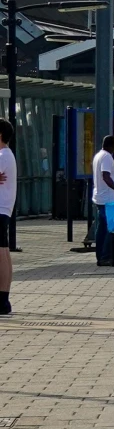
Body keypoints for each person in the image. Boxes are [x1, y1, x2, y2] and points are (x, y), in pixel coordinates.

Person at [91, 136, 114, 265]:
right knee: (111, 227)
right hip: (108, 198)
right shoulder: (107, 157)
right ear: (113, 146)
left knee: (102, 228)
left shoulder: (98, 155)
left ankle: (100, 256)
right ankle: (105, 256)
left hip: (100, 197)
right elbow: (105, 176)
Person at [0, 122, 16, 313]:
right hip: (4, 208)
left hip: (1, 208)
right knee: (3, 251)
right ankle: (3, 297)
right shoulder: (7, 155)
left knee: (1, 252)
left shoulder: (3, 156)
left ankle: (3, 298)